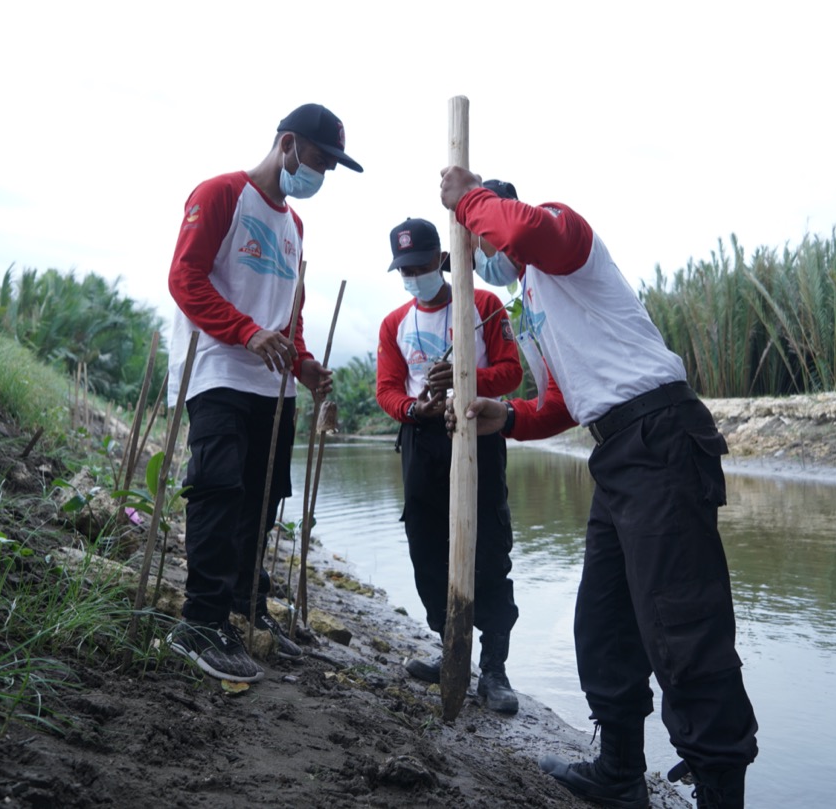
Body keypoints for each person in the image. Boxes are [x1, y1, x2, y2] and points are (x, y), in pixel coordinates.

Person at [440, 170, 758, 809]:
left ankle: (720, 790)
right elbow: (562, 399)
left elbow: (519, 226)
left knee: (682, 624)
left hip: (662, 436)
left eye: (477, 245)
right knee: (605, 623)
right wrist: (510, 418)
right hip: (616, 451)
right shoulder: (529, 301)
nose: (479, 261)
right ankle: (619, 770)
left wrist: (467, 197)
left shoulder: (562, 236)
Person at [164, 103, 360, 684]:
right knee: (219, 489)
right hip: (219, 369)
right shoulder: (222, 193)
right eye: (320, 160)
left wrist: (305, 367)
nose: (320, 175)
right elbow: (184, 278)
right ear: (289, 144)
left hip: (272, 387)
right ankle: (199, 621)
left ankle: (245, 609)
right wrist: (246, 332)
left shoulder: (294, 227)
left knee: (263, 497)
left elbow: (289, 320)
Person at [374, 214, 524, 713]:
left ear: (443, 260)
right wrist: (417, 408)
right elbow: (388, 390)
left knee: (489, 544)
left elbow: (510, 371)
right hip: (423, 442)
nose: (413, 275)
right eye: (404, 269)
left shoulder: (482, 307)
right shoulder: (394, 324)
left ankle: (495, 668)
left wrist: (467, 377)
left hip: (477, 436)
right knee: (426, 543)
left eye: (420, 265)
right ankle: (450, 648)